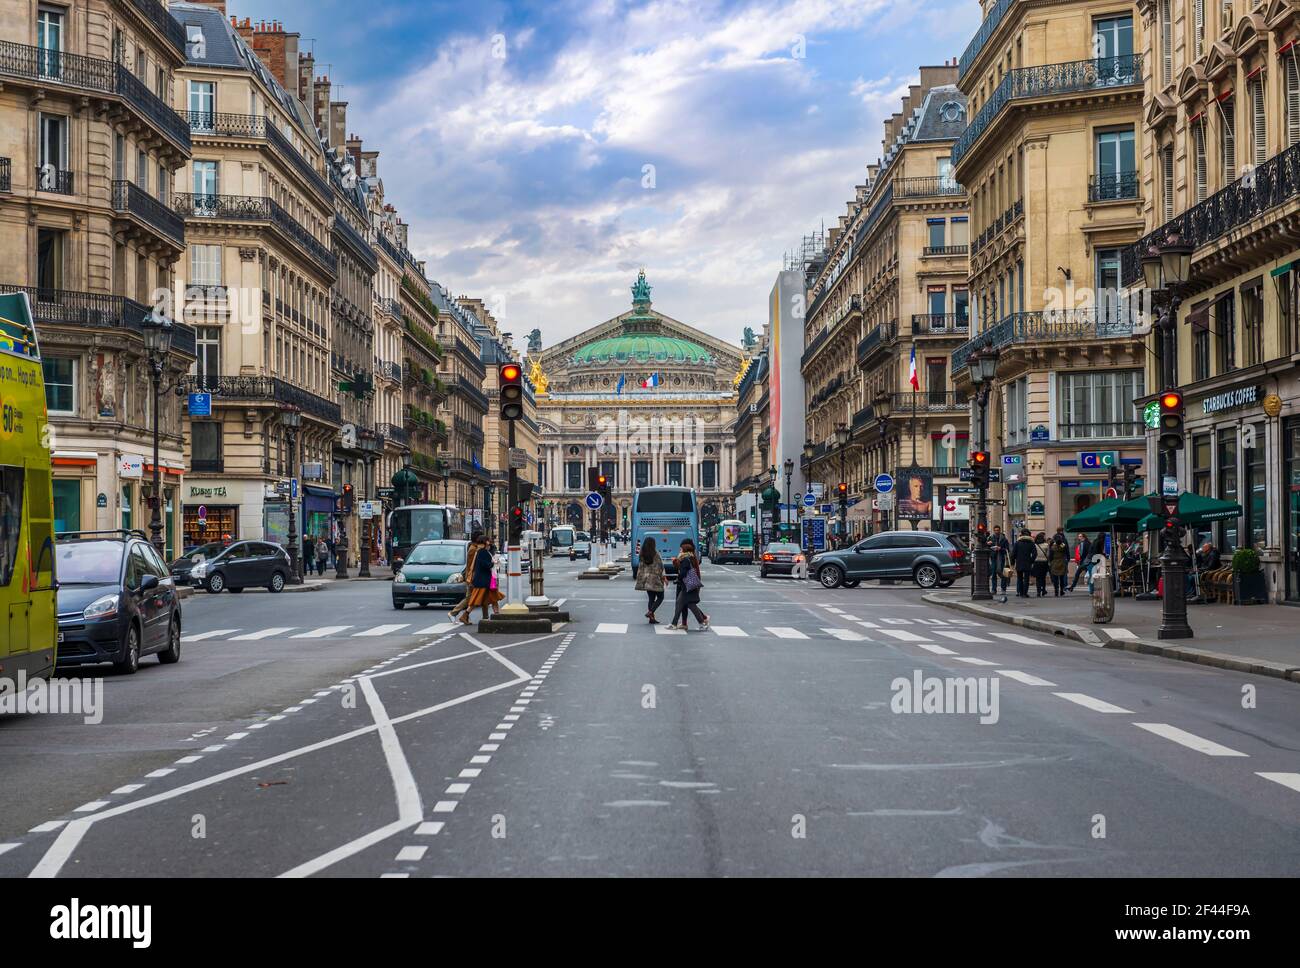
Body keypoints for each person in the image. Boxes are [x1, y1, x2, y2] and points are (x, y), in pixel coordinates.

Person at [462, 531, 503, 625]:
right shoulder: (482, 552)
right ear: (484, 542)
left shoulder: (483, 551)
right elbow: (484, 565)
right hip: (483, 581)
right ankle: (465, 615)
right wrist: (493, 563)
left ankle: (497, 615)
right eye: (488, 541)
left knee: (493, 598)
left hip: (486, 580)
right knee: (476, 600)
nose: (489, 542)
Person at [668, 539, 709, 631]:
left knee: (690, 604)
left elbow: (683, 572)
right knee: (681, 603)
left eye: (681, 549)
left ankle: (702, 622)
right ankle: (674, 623)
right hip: (689, 584)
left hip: (688, 585)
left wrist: (677, 578)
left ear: (684, 550)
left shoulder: (685, 559)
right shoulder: (689, 557)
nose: (679, 550)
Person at [634, 536, 668, 624]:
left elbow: (641, 567)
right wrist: (664, 578)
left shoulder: (642, 554)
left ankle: (651, 618)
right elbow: (660, 567)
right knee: (661, 597)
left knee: (651, 598)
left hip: (646, 579)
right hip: (655, 579)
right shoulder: (656, 554)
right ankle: (651, 612)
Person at [449, 536, 481, 622]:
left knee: (476, 597)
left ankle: (465, 616)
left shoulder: (473, 548)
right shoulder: (473, 550)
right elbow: (472, 566)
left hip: (472, 577)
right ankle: (454, 613)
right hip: (472, 578)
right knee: (470, 598)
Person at [1013, 529, 1037, 598]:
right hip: (1027, 563)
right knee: (1026, 579)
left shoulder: (1017, 543)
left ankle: (1020, 592)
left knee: (1020, 578)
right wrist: (1031, 561)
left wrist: (1012, 562)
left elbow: (1013, 553)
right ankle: (1025, 593)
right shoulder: (1031, 543)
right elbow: (1035, 554)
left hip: (1019, 562)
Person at [989, 525, 1012, 596]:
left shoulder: (1004, 539)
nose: (996, 532)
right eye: (995, 530)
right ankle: (993, 589)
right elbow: (987, 548)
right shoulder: (990, 538)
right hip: (993, 558)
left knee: (1003, 574)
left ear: (1000, 530)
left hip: (1002, 558)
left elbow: (1007, 549)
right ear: (993, 530)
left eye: (998, 530)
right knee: (993, 574)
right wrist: (988, 545)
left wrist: (1000, 548)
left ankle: (1003, 589)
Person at [1048, 531, 1070, 597]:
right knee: (1062, 577)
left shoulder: (1052, 546)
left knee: (1055, 578)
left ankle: (1056, 591)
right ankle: (1061, 591)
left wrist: (1050, 562)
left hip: (1054, 562)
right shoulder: (1063, 545)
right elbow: (1067, 552)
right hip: (1062, 562)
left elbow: (1050, 556)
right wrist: (1067, 559)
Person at [1031, 531, 1050, 597]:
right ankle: (1043, 590)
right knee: (1043, 577)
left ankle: (1038, 592)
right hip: (1044, 562)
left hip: (1036, 562)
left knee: (1038, 578)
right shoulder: (1046, 545)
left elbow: (1032, 554)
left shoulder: (1034, 545)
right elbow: (1048, 555)